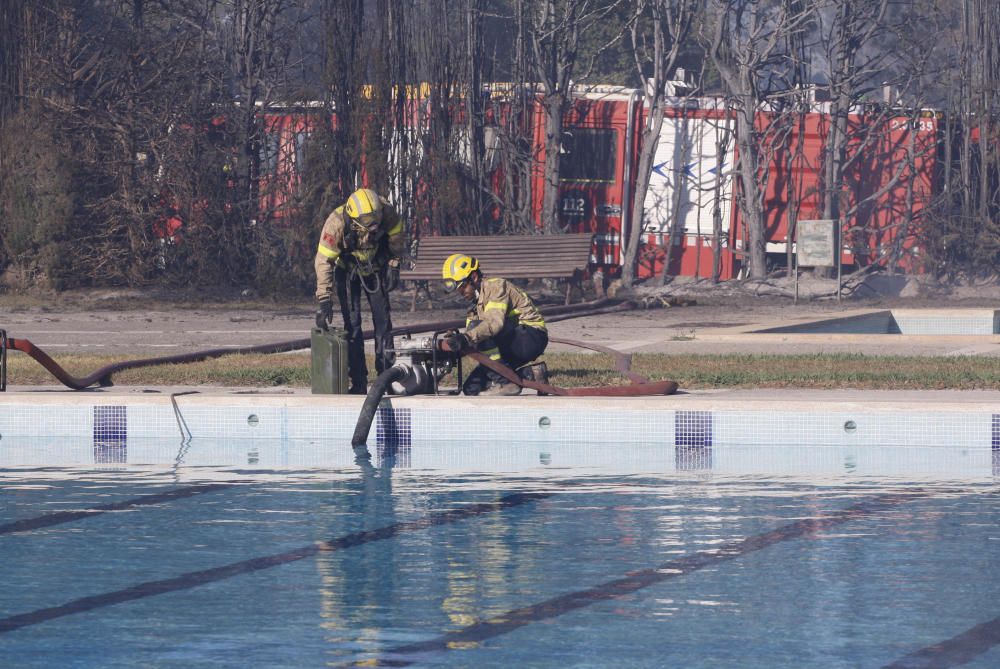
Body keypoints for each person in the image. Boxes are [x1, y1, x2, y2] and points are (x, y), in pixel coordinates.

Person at [314, 188, 406, 394]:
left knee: (383, 323)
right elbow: (323, 261)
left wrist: (394, 264)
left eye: (377, 216)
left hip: (376, 268)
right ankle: (358, 381)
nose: (374, 222)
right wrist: (324, 297)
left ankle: (386, 377)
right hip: (348, 272)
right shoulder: (336, 224)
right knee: (353, 326)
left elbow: (397, 237)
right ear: (354, 218)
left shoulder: (387, 212)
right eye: (368, 219)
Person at [439, 253, 548, 396]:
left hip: (531, 336)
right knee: (472, 389)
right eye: (458, 290)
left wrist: (467, 337)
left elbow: (494, 324)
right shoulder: (475, 306)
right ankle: (532, 373)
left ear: (474, 277)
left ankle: (507, 383)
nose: (461, 293)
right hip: (509, 343)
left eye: (462, 287)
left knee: (476, 329)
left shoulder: (496, 287)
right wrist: (455, 343)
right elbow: (473, 339)